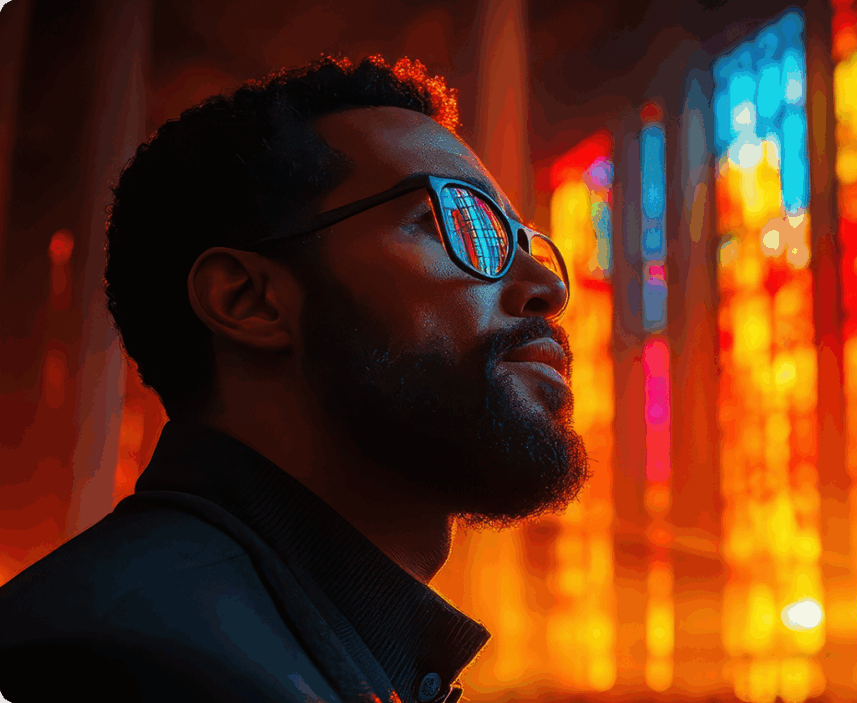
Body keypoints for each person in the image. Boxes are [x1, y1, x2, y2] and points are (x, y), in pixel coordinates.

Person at [0, 55, 588, 703]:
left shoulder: (338, 646)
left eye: (523, 241)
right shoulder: (119, 658)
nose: (548, 286)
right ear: (249, 301)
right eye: (456, 223)